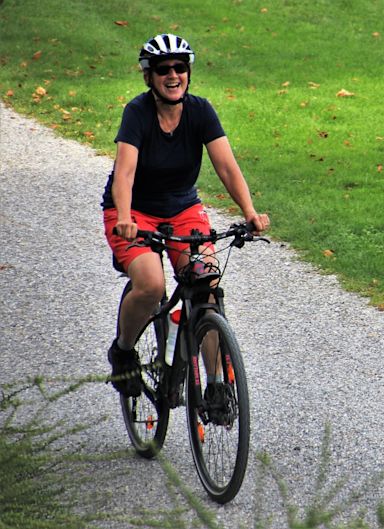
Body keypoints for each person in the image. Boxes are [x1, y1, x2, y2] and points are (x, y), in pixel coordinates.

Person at [101, 33, 269, 397]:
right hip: (133, 213)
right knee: (151, 285)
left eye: (180, 68)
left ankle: (216, 384)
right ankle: (124, 350)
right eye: (164, 69)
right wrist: (126, 217)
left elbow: (226, 166)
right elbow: (125, 173)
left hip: (183, 208)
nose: (173, 75)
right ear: (149, 76)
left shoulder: (200, 111)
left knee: (205, 281)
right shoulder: (138, 113)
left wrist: (250, 212)